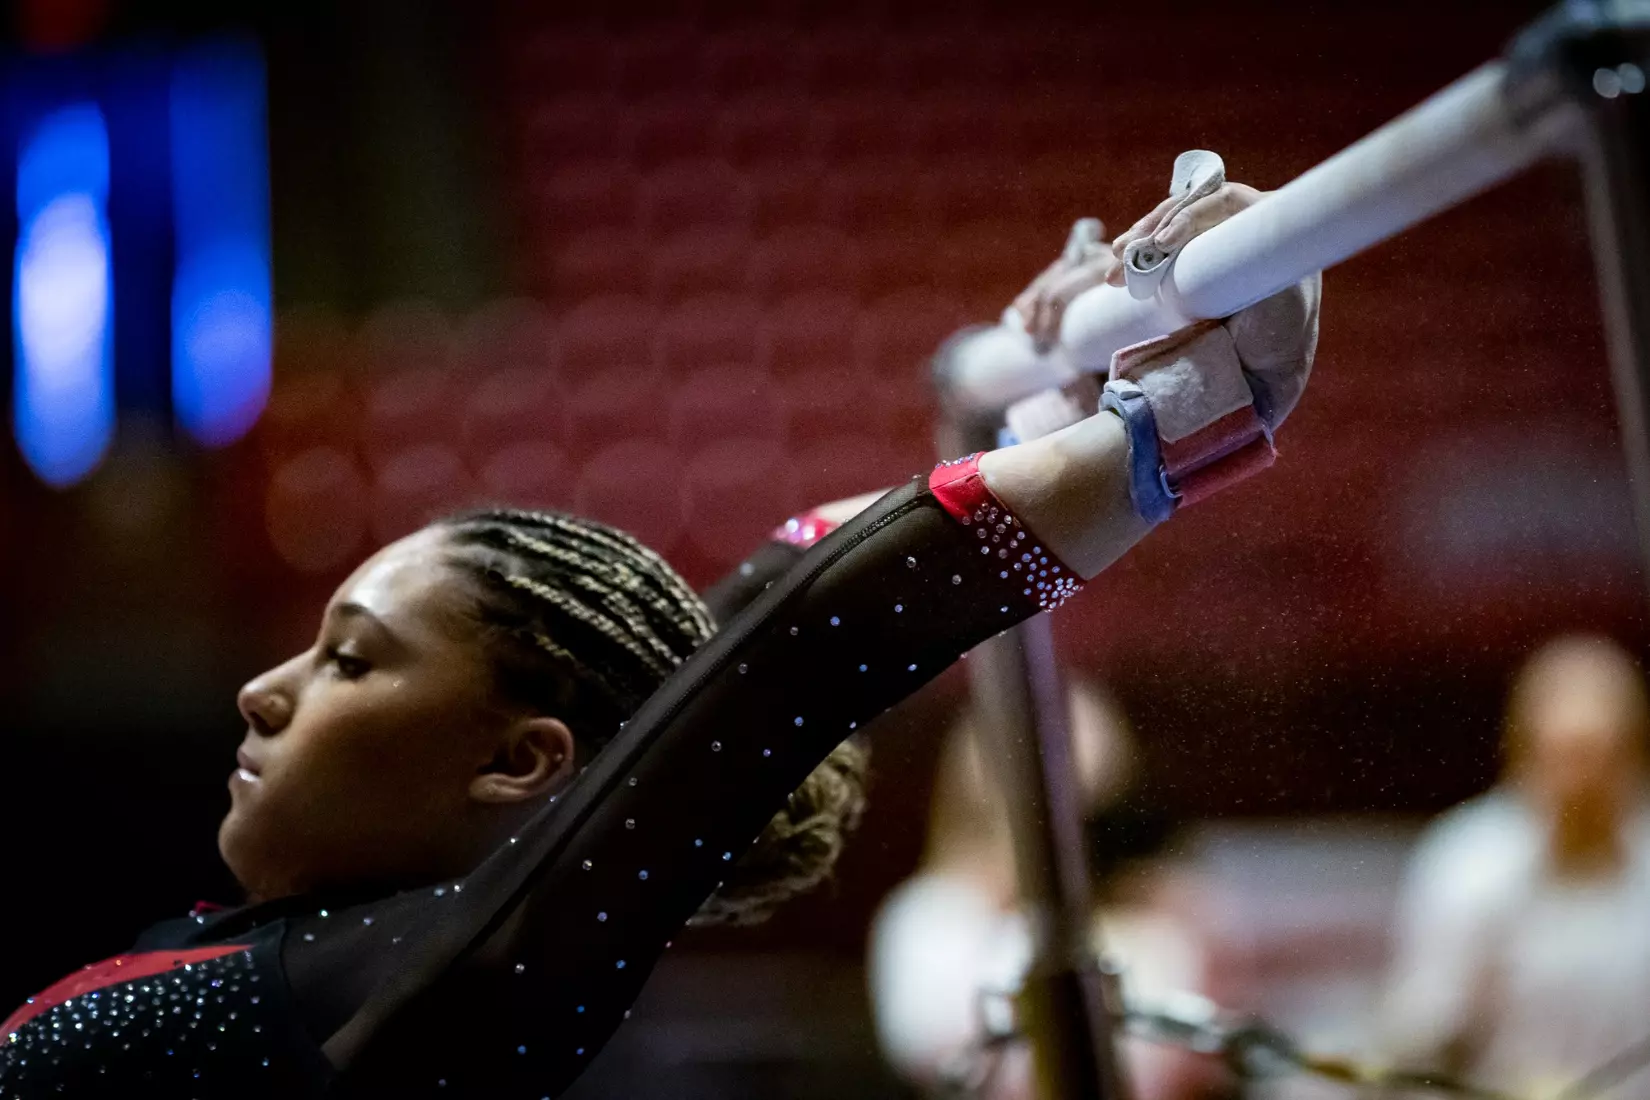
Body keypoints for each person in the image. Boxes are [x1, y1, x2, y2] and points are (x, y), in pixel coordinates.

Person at [0, 172, 1319, 1099]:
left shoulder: (428, 993)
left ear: (521, 762)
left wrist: (1170, 430)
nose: (259, 691)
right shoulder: (278, 956)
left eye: (349, 658)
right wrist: (1043, 424)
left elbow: (781, 646)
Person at [869, 680, 1213, 1100]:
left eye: (1089, 815)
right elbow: (937, 1055)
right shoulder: (933, 914)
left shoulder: (1153, 920)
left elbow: (1177, 1062)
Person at [1380, 634, 1650, 1097]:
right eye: (1568, 756)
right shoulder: (1466, 863)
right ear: (1525, 749)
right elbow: (1422, 1037)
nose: (1583, 785)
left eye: (1602, 755)